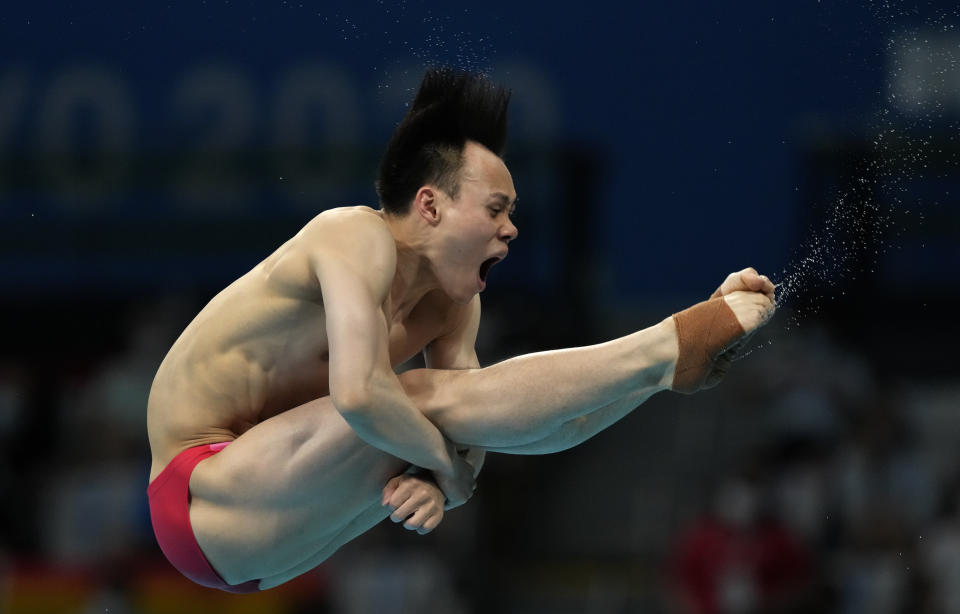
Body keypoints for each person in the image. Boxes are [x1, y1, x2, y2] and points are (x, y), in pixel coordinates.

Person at [146, 67, 777, 593]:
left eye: (513, 214)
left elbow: (482, 429)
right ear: (430, 204)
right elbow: (362, 396)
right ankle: (668, 345)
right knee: (411, 394)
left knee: (444, 409)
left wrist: (439, 483)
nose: (511, 230)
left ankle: (661, 375)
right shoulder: (350, 235)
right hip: (200, 493)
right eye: (496, 210)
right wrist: (447, 476)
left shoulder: (454, 299)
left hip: (280, 528)